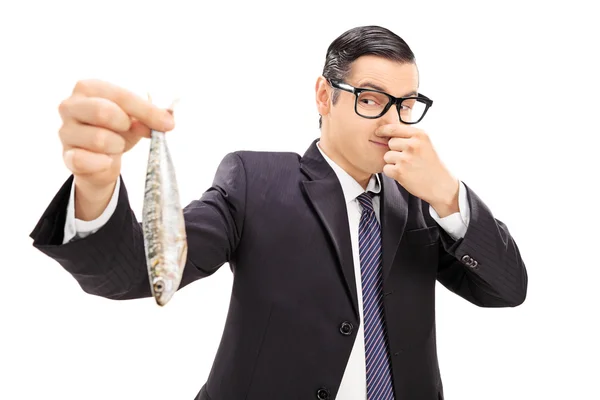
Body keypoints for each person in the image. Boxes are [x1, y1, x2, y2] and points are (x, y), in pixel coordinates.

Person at [29, 25, 528, 400]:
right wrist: (95, 190)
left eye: (407, 104)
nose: (392, 121)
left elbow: (507, 289)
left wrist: (447, 195)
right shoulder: (257, 181)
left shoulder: (423, 201)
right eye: (372, 99)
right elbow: (142, 271)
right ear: (324, 95)